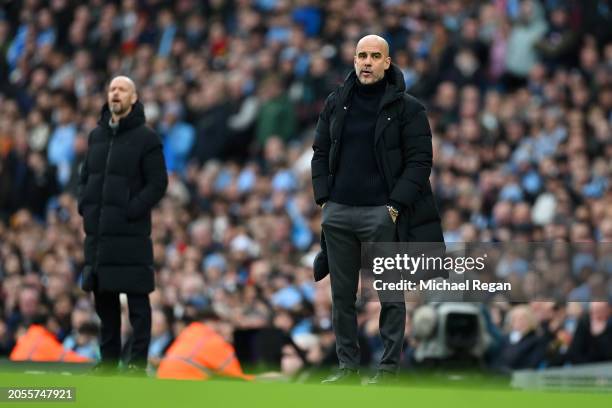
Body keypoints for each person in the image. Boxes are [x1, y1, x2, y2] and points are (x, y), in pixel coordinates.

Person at [311, 35, 444, 385]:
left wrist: (395, 206)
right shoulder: (336, 101)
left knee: (390, 295)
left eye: (374, 56)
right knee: (341, 296)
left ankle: (387, 370)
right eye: (360, 55)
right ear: (353, 60)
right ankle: (348, 368)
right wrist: (324, 199)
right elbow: (320, 151)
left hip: (381, 213)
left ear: (388, 62)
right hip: (338, 211)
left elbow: (420, 161)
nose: (366, 62)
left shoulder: (409, 108)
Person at [77, 75, 168, 375]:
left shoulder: (147, 138)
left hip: (130, 235)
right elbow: (85, 176)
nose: (116, 93)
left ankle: (137, 365)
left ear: (134, 97)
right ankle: (109, 362)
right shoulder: (96, 136)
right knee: (104, 303)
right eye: (112, 89)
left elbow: (158, 184)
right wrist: (85, 206)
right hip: (100, 235)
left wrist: (132, 210)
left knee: (137, 303)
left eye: (122, 89)